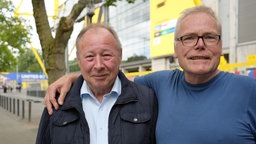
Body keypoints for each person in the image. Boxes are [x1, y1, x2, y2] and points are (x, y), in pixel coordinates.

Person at [44, 5, 256, 144]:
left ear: (220, 44)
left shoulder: (249, 91)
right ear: (176, 49)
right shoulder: (160, 83)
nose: (199, 45)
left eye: (209, 37)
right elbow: (109, 77)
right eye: (189, 38)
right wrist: (71, 78)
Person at [36, 23, 158, 144]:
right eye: (90, 57)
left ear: (120, 55)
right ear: (78, 59)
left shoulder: (147, 99)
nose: (98, 65)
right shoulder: (57, 103)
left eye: (106, 55)